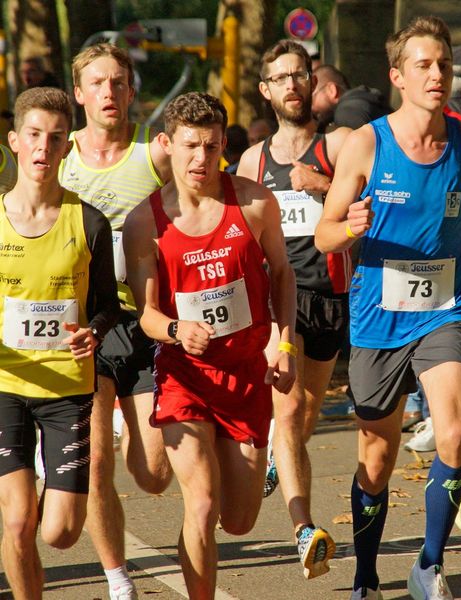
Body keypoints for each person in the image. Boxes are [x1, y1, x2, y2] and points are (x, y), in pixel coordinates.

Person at [315, 16, 461, 600]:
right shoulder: (368, 143)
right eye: (423, 65)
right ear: (397, 76)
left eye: (443, 64)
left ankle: (429, 564)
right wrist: (350, 225)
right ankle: (367, 574)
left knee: (451, 433)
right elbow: (323, 235)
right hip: (379, 316)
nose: (437, 74)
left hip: (445, 307)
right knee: (377, 454)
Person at [123, 91, 296, 600]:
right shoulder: (145, 223)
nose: (202, 159)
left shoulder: (256, 203)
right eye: (191, 146)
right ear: (167, 145)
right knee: (199, 503)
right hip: (185, 378)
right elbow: (148, 314)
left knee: (238, 520)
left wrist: (283, 346)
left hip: (245, 376)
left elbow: (283, 274)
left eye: (212, 145)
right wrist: (178, 331)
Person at [59, 43, 172, 600]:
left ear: (132, 92)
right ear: (79, 93)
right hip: (87, 326)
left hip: (148, 321)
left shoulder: (157, 156)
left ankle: (136, 426)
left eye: (119, 82)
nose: (109, 92)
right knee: (96, 458)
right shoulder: (58, 160)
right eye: (98, 83)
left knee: (154, 476)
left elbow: (208, 199)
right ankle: (116, 576)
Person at [237, 39, 352, 579]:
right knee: (287, 409)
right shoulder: (251, 161)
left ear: (312, 81)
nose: (291, 85)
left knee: (305, 412)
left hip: (331, 298)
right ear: (266, 91)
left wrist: (321, 185)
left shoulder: (342, 145)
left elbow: (373, 206)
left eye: (299, 75)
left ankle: (278, 459)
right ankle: (305, 530)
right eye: (280, 78)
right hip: (279, 299)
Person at [0, 87, 119, 600]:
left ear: (66, 147)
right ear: (14, 142)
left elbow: (110, 304)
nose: (43, 148)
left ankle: (43, 481)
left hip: (68, 390)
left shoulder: (88, 221)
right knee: (19, 520)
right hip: (6, 384)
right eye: (33, 136)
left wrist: (94, 328)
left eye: (53, 138)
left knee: (60, 532)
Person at [312, 64, 392, 132]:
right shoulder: (363, 101)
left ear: (331, 90)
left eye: (312, 98)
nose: (311, 107)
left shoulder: (346, 113)